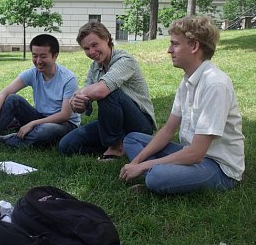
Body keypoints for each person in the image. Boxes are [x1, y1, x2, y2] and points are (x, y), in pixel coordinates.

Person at [119, 15, 245, 195]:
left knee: (156, 177)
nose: (169, 50)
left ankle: (155, 176)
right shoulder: (187, 80)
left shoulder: (215, 84)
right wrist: (136, 162)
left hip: (217, 166)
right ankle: (157, 173)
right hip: (190, 154)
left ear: (194, 46)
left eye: (175, 44)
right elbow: (168, 130)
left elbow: (197, 153)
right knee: (132, 139)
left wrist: (145, 165)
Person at [58, 22, 156, 159]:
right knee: (67, 146)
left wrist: (79, 93)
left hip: (139, 124)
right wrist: (77, 103)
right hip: (112, 123)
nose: (91, 52)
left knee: (108, 91)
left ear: (107, 39)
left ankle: (115, 147)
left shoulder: (125, 60)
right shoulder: (95, 67)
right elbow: (85, 99)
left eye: (95, 45)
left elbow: (99, 91)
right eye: (86, 48)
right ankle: (122, 143)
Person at [0, 34, 81, 147]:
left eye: (43, 56)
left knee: (44, 131)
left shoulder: (68, 79)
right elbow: (3, 93)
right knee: (13, 99)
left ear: (55, 56)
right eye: (35, 56)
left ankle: (5, 140)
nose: (38, 61)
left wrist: (32, 123)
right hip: (40, 116)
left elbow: (65, 115)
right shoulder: (33, 73)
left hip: (64, 124)